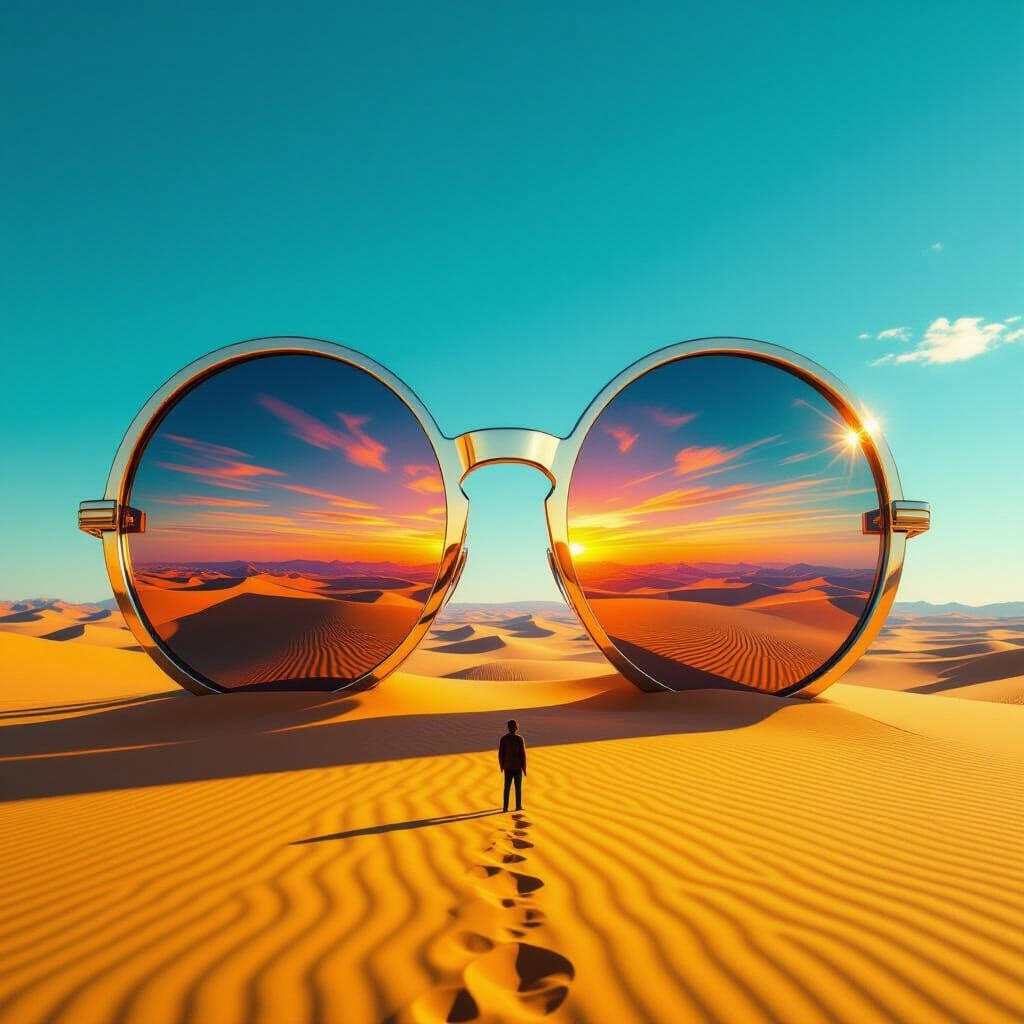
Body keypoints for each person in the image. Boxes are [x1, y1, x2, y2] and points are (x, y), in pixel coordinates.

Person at [498, 719, 527, 812]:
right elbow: (523, 754)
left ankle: (506, 807)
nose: (513, 729)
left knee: (508, 788)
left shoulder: (505, 738)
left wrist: (502, 766)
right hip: (515, 767)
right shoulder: (518, 739)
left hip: (510, 767)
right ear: (516, 727)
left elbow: (500, 754)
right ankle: (515, 807)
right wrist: (524, 768)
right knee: (514, 788)